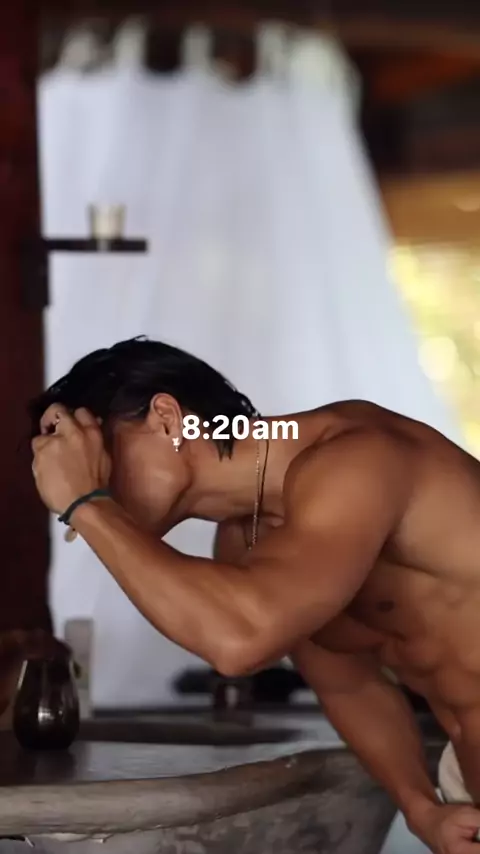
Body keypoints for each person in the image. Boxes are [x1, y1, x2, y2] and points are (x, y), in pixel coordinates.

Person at [30, 336, 480, 854]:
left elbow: (240, 640)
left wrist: (88, 503)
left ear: (167, 419)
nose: (90, 479)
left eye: (95, 456)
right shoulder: (248, 547)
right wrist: (421, 808)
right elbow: (350, 687)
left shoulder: (356, 457)